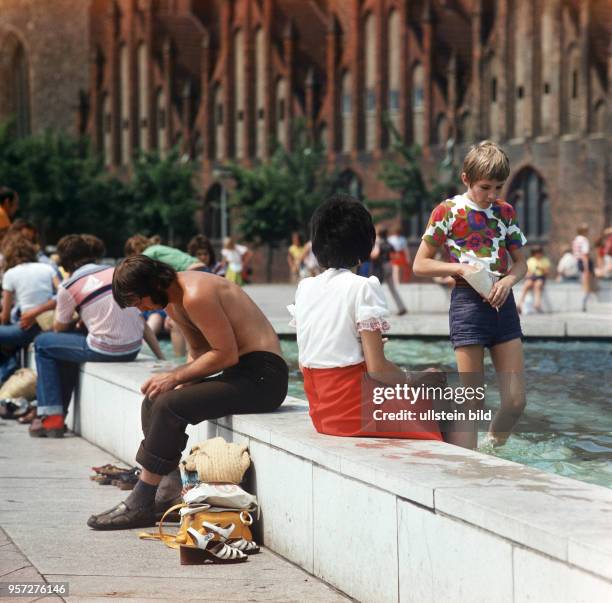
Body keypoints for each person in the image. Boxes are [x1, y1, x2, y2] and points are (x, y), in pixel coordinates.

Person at [87, 255, 288, 529]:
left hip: (264, 377)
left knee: (169, 404)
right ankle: (167, 491)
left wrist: (176, 377)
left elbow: (225, 354)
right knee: (156, 400)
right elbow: (201, 352)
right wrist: (180, 382)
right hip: (240, 373)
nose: (142, 309)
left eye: (139, 301)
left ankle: (141, 500)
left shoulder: (195, 294)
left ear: (153, 284)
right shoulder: (174, 303)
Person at [289, 194, 443, 440]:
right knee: (453, 404)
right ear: (364, 245)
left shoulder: (305, 287)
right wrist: (414, 378)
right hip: (354, 412)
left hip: (321, 414)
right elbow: (378, 370)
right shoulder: (363, 287)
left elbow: (305, 361)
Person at [413, 140, 528, 449]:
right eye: (485, 187)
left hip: (503, 306)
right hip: (468, 306)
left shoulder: (505, 212)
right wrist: (460, 269)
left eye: (498, 187)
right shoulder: (448, 211)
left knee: (516, 401)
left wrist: (508, 282)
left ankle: (494, 448)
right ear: (466, 178)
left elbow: (522, 264)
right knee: (473, 401)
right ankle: (468, 464)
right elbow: (419, 264)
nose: (492, 195)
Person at [29, 235, 146, 438]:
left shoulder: (69, 286)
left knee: (42, 344)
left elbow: (59, 327)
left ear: (66, 263)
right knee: (62, 349)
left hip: (106, 349)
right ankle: (54, 417)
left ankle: (52, 417)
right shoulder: (116, 271)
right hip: (133, 348)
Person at [0, 234, 59, 383]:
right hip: (47, 325)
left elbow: (5, 317)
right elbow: (64, 292)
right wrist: (42, 309)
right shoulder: (47, 268)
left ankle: (6, 372)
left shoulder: (10, 274)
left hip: (25, 329)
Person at [371, 228, 408, 316]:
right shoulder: (389, 243)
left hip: (381, 267)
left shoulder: (378, 243)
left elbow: (375, 255)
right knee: (393, 289)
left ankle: (376, 309)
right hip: (389, 265)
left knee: (375, 288)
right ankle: (401, 307)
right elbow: (396, 256)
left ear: (379, 235)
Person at [124, 234, 202, 271]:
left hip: (193, 269)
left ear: (134, 251)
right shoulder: (155, 248)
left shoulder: (146, 255)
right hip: (199, 265)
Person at [517, 246, 551, 314]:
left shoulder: (544, 260)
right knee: (526, 285)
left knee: (537, 286)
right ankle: (520, 304)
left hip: (540, 276)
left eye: (539, 253)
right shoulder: (530, 260)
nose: (538, 255)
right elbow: (527, 271)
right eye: (536, 253)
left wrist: (541, 269)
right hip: (532, 277)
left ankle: (537, 304)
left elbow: (547, 272)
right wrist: (528, 274)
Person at [572, 224, 595, 312]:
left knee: (584, 282)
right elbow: (585, 255)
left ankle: (586, 300)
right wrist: (586, 268)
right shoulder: (584, 240)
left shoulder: (576, 240)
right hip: (584, 262)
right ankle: (585, 302)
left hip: (577, 261)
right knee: (586, 283)